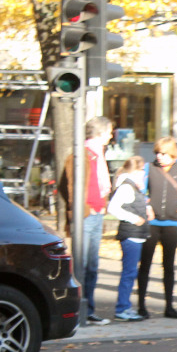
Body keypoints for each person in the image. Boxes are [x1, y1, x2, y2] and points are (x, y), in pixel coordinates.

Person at [58, 116, 115, 326]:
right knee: (80, 265)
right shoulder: (81, 154)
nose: (111, 135)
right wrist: (82, 209)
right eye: (109, 131)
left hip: (96, 213)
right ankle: (76, 311)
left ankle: (89, 310)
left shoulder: (97, 154)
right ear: (100, 133)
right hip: (87, 215)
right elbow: (68, 186)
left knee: (92, 265)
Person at [138, 136, 177, 319]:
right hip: (152, 223)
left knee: (168, 266)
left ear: (172, 154)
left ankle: (169, 306)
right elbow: (141, 190)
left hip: (171, 223)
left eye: (162, 153)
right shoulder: (149, 168)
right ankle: (141, 306)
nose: (159, 157)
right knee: (145, 264)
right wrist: (147, 205)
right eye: (157, 153)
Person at [106, 155, 151, 321]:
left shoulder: (132, 187)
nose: (144, 175)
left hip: (136, 234)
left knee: (130, 272)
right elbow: (113, 208)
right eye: (142, 171)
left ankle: (125, 306)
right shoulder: (126, 188)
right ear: (136, 171)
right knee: (129, 272)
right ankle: (122, 308)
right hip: (131, 234)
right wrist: (134, 218)